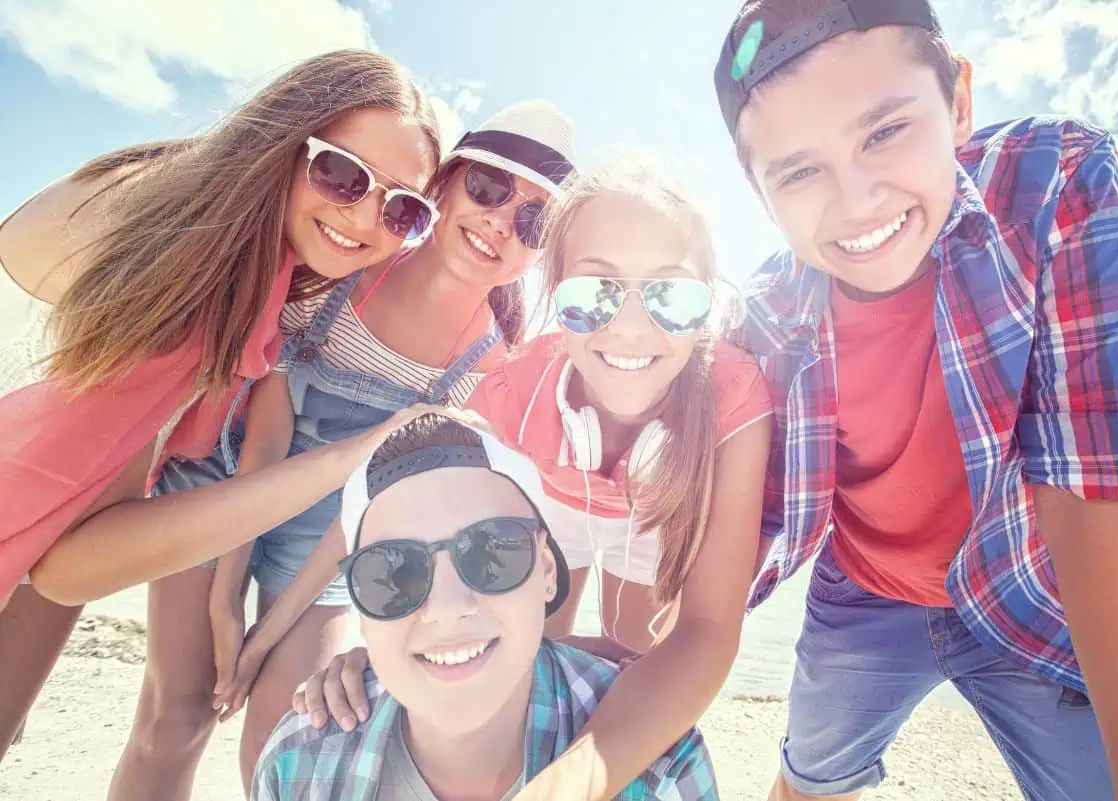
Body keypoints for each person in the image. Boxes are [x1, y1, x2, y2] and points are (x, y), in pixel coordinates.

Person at [711, 1, 1118, 799]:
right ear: (761, 195)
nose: (858, 199)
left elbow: (1096, 502)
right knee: (806, 779)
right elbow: (714, 529)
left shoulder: (1059, 185)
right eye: (798, 172)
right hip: (861, 592)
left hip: (1032, 585)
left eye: (884, 131)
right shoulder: (766, 314)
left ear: (959, 101)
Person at [109, 100, 577, 799]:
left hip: (333, 539)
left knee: (289, 737)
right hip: (221, 484)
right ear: (445, 183)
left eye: (533, 222)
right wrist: (224, 604)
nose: (500, 223)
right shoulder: (346, 264)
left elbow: (362, 507)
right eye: (487, 189)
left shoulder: (488, 370)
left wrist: (265, 637)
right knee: (172, 718)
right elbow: (264, 436)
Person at [0, 50, 442, 764]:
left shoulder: (205, 224)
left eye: (404, 210)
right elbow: (73, 563)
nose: (365, 216)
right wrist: (350, 456)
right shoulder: (188, 271)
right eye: (341, 173)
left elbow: (91, 499)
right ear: (286, 138)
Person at [291, 155, 774, 799]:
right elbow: (401, 526)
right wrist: (390, 655)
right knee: (531, 654)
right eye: (593, 293)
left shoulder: (735, 391)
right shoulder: (513, 390)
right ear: (555, 292)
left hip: (653, 507)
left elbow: (708, 632)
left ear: (707, 302)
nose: (630, 327)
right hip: (556, 499)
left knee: (637, 669)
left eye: (672, 295)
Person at [252, 411, 719, 801]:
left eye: (493, 551)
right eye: (392, 574)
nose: (447, 607)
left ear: (548, 571)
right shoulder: (301, 764)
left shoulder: (658, 769)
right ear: (359, 605)